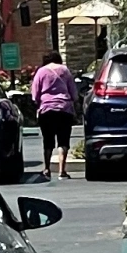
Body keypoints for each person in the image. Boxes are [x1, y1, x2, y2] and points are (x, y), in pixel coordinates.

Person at [29, 51, 79, 180]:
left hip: (46, 109)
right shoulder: (65, 70)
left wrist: (38, 103)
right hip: (64, 109)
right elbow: (74, 93)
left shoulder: (41, 72)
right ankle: (62, 170)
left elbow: (35, 94)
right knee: (63, 140)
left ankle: (47, 169)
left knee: (48, 140)